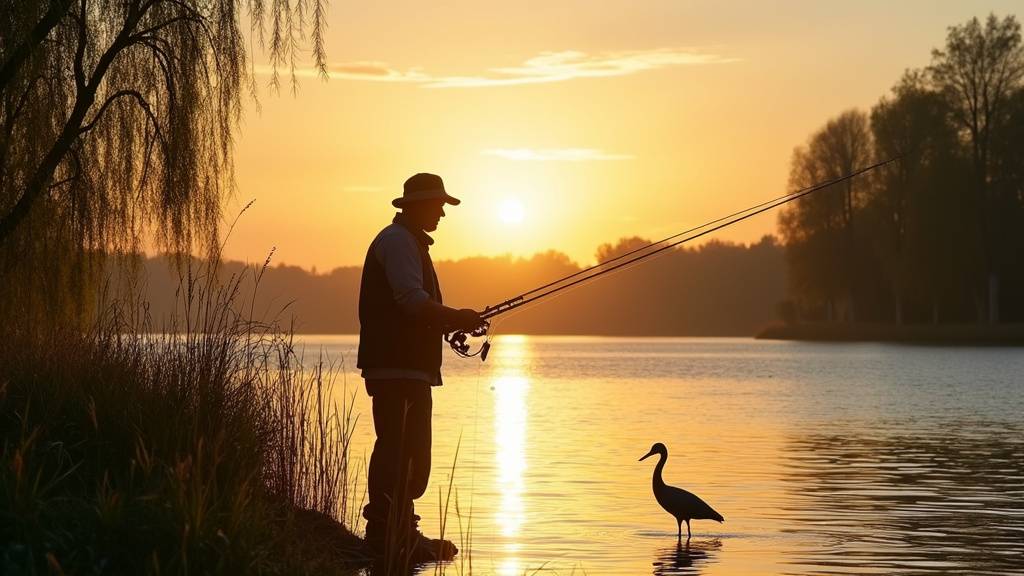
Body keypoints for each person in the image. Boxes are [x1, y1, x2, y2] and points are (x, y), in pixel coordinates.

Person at [357, 172, 484, 563]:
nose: (443, 214)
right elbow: (411, 301)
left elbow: (417, 307)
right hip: (395, 366)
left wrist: (451, 322)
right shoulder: (397, 242)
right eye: (438, 206)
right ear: (418, 205)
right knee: (398, 448)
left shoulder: (410, 242)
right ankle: (385, 531)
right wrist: (456, 317)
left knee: (410, 452)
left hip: (407, 368)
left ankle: (401, 527)